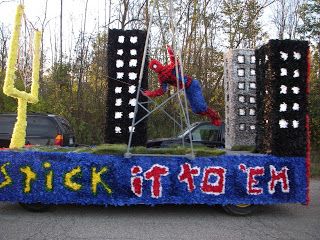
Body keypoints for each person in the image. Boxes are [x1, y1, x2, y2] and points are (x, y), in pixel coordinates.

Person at [143, 46, 221, 126]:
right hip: (187, 89)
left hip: (192, 85)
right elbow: (162, 90)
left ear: (159, 63)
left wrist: (171, 53)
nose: (156, 68)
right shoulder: (162, 78)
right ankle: (213, 116)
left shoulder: (170, 68)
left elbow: (175, 62)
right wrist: (151, 93)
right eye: (154, 67)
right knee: (195, 109)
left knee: (200, 106)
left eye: (156, 65)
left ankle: (215, 117)